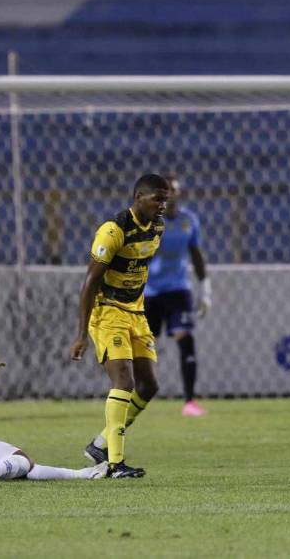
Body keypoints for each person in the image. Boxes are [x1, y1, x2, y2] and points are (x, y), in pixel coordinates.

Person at [69, 173, 170, 478]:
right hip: (107, 312)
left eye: (165, 199)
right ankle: (114, 464)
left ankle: (100, 444)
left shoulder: (157, 227)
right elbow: (89, 283)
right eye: (158, 199)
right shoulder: (113, 231)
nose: (163, 205)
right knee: (123, 381)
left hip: (136, 313)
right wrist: (81, 334)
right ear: (139, 198)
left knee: (149, 385)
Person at [144, 178, 211, 417]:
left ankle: (190, 401)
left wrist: (205, 288)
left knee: (185, 338)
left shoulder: (188, 220)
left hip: (178, 289)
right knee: (142, 345)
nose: (171, 194)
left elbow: (196, 254)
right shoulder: (149, 221)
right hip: (149, 290)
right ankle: (137, 394)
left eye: (174, 189)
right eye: (166, 190)